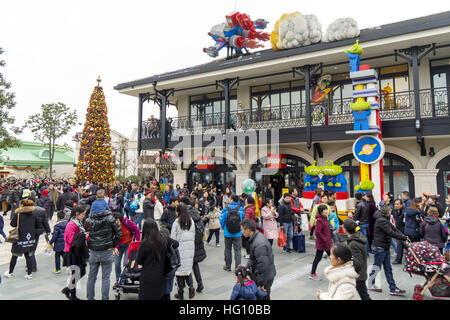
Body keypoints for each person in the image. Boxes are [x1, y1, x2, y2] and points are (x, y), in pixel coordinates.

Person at [84, 198, 122, 300]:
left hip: (94, 251)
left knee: (91, 277)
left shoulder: (88, 220)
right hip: (107, 250)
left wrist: (90, 244)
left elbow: (86, 234)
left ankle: (90, 297)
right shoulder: (110, 219)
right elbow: (119, 234)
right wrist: (113, 245)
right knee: (106, 278)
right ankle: (105, 298)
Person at [368, 205, 408, 296]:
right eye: (390, 211)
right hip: (380, 248)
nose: (391, 212)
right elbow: (390, 232)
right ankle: (370, 284)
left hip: (384, 247)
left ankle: (393, 288)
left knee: (388, 268)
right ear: (388, 212)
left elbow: (394, 229)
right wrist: (404, 237)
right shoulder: (381, 220)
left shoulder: (384, 219)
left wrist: (403, 236)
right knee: (377, 267)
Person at [4, 199, 40, 280]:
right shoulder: (34, 214)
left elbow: (12, 224)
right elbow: (37, 225)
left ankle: (10, 272)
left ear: (22, 205)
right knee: (28, 256)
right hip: (30, 237)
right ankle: (29, 274)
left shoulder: (18, 214)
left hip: (20, 238)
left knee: (15, 256)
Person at [241, 218, 276, 300]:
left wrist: (261, 284)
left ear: (248, 230)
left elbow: (263, 266)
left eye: (242, 230)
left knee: (263, 296)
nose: (241, 232)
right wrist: (246, 268)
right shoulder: (255, 238)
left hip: (265, 277)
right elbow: (252, 258)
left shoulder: (259, 244)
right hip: (264, 275)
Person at [135, 218, 168, 300]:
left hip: (147, 277)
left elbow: (139, 261)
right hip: (160, 275)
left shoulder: (144, 243)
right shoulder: (163, 241)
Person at [61, 206, 89, 300]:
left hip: (78, 251)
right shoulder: (71, 224)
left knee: (81, 271)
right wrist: (83, 235)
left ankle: (68, 290)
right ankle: (72, 295)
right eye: (83, 214)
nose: (84, 216)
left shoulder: (79, 223)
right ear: (77, 214)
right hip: (71, 252)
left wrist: (85, 236)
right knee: (76, 272)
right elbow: (70, 239)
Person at [171, 204, 195, 300]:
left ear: (178, 212)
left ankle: (180, 294)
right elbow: (193, 234)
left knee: (180, 272)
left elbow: (173, 239)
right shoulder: (191, 221)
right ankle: (191, 287)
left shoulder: (177, 222)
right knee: (188, 269)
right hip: (190, 249)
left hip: (180, 250)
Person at [343, 219, 370, 300]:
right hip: (360, 273)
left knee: (364, 295)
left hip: (358, 275)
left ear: (346, 229)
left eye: (343, 227)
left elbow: (358, 262)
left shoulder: (353, 244)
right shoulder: (358, 236)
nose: (342, 228)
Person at [112, 211, 141, 286]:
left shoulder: (126, 222)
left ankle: (124, 279)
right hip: (118, 246)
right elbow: (112, 238)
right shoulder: (113, 226)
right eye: (114, 221)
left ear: (120, 219)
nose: (116, 223)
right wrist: (115, 247)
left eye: (117, 220)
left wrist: (137, 242)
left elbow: (137, 230)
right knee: (116, 264)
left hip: (128, 245)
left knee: (126, 263)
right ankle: (118, 280)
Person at [220, 194, 245, 271]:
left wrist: (224, 227)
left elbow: (221, 219)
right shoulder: (241, 209)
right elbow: (243, 220)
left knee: (227, 249)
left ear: (231, 200)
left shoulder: (226, 209)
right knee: (238, 250)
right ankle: (237, 268)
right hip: (238, 233)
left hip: (227, 233)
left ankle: (228, 267)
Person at [309, 205, 332, 281]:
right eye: (324, 210)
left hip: (327, 242)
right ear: (321, 211)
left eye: (326, 209)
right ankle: (312, 274)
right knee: (318, 258)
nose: (326, 211)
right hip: (322, 243)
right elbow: (317, 232)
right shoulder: (319, 220)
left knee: (332, 257)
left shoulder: (325, 218)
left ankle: (335, 272)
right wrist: (325, 239)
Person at [160, 227, 180, 300]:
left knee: (161, 292)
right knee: (168, 291)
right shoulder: (173, 245)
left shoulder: (158, 245)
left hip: (160, 273)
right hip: (170, 272)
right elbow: (178, 260)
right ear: (169, 235)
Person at [392, 199, 406, 264]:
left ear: (401, 204)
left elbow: (405, 222)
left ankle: (399, 259)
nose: (396, 205)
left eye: (397, 204)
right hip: (399, 230)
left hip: (404, 231)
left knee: (402, 245)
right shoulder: (395, 211)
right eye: (395, 204)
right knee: (400, 245)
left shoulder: (404, 212)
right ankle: (398, 259)